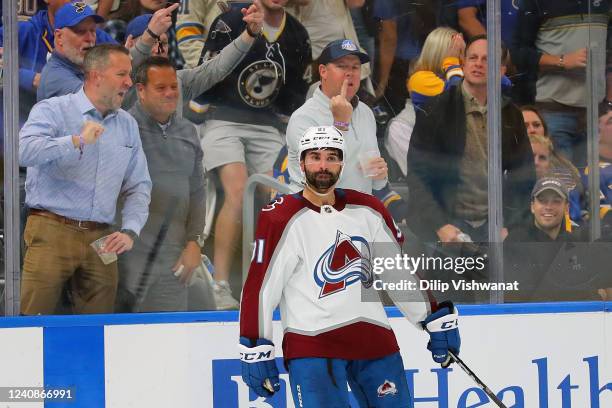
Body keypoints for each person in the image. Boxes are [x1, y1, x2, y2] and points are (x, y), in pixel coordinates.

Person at [238, 125, 460, 406]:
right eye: (315, 157)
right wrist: (255, 344)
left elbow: (397, 272)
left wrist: (433, 318)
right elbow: (260, 288)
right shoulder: (281, 217)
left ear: (342, 163)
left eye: (332, 157)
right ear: (302, 162)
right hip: (313, 348)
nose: (323, 165)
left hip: (374, 341)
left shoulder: (368, 209)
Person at [19, 44, 152, 315]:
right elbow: (24, 152)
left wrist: (130, 229)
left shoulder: (128, 125)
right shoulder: (53, 110)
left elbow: (139, 185)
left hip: (102, 236)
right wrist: (76, 141)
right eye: (122, 74)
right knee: (33, 318)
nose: (129, 82)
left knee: (100, 326)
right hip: (51, 226)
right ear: (96, 76)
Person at [197, 0, 311, 310]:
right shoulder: (232, 20)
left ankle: (284, 282)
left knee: (282, 197)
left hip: (266, 124)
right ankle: (220, 284)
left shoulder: (298, 34)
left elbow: (293, 98)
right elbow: (206, 74)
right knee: (237, 190)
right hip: (223, 118)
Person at [406, 35, 535, 243]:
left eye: (486, 59)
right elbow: (418, 174)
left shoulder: (511, 113)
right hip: (447, 226)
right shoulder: (436, 108)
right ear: (463, 64)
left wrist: (511, 225)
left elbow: (524, 174)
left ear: (501, 70)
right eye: (473, 57)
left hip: (495, 227)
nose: (478, 64)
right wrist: (440, 225)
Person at [286, 39, 408, 222]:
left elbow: (373, 179)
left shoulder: (366, 113)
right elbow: (322, 179)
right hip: (313, 217)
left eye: (355, 67)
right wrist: (340, 124)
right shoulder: (303, 118)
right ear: (323, 72)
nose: (350, 73)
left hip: (359, 217)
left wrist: (380, 176)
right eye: (342, 66)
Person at [118, 56, 205, 312]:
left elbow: (198, 192)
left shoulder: (188, 131)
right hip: (125, 254)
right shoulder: (122, 127)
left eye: (174, 87)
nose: (170, 94)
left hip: (173, 256)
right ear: (140, 90)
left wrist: (194, 242)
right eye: (161, 88)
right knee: (120, 340)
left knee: (172, 340)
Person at [512, 0, 611, 166]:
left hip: (595, 112)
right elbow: (517, 54)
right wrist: (562, 60)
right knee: (559, 182)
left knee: (593, 186)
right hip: (553, 108)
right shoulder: (535, 2)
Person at [120, 3, 263, 119]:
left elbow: (217, 67)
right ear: (131, 44)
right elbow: (126, 68)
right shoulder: (120, 84)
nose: (158, 49)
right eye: (152, 42)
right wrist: (150, 35)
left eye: (163, 43)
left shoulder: (179, 81)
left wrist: (249, 34)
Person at [36, 1, 177, 101]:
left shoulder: (84, 68)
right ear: (59, 37)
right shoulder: (57, 78)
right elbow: (107, 99)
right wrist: (148, 37)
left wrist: (125, 62)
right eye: (80, 31)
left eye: (92, 30)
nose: (89, 38)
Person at [408, 27, 464, 110]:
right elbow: (459, 95)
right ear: (441, 54)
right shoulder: (419, 79)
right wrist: (452, 62)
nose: (463, 58)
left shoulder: (453, 75)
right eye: (459, 52)